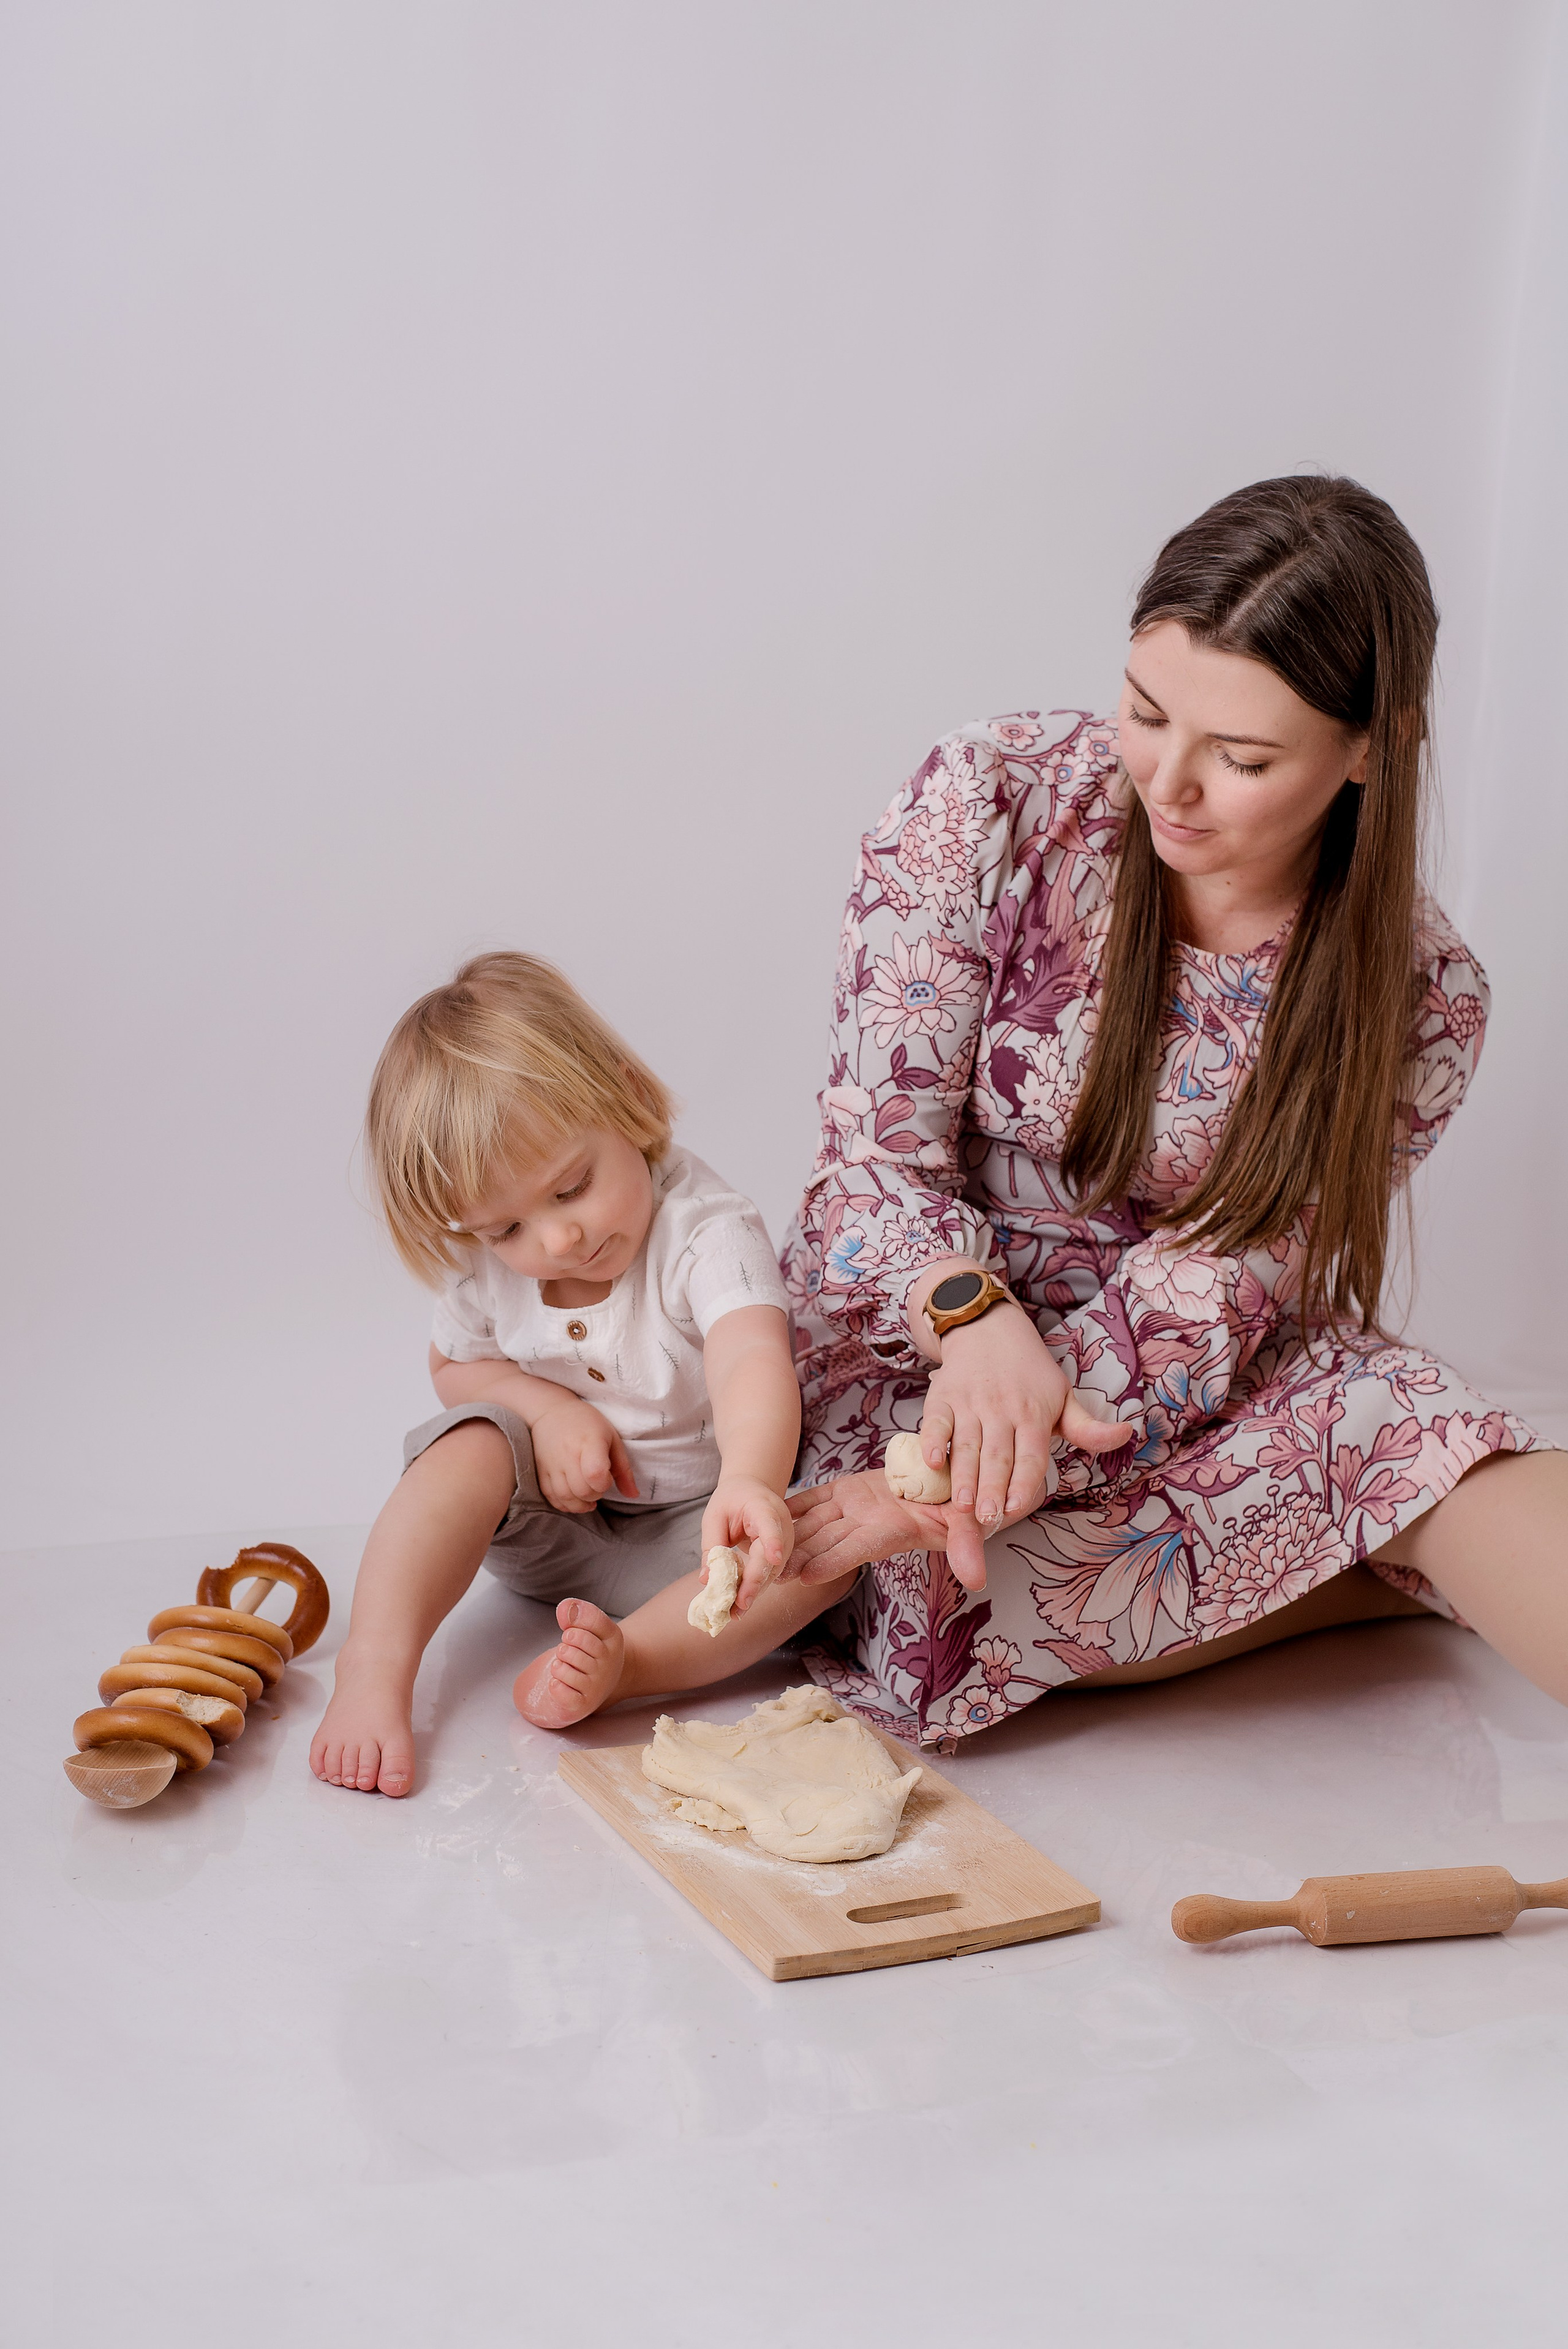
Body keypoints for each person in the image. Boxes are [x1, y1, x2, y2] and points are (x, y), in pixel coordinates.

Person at [769, 472, 1566, 1748]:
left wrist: (1029, 1431)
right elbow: (866, 1169)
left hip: (1168, 1374)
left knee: (1420, 1427)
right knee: (920, 1582)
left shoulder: (1419, 995)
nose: (1169, 784)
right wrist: (969, 1343)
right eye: (1144, 713)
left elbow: (1212, 1293)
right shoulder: (990, 796)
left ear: (1369, 749)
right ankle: (1350, 1573)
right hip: (916, 1337)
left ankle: (1385, 1545)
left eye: (1241, 758)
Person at [311, 952, 816, 1795]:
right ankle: (372, 1667)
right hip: (552, 1536)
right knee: (469, 1444)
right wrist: (541, 1410)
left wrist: (753, 1481)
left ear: (625, 1098)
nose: (554, 1242)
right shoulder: (489, 1268)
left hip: (700, 1544)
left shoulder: (703, 1230)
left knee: (820, 1553)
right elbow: (453, 1365)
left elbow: (749, 1356)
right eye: (505, 1227)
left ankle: (631, 1663)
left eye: (572, 1187)